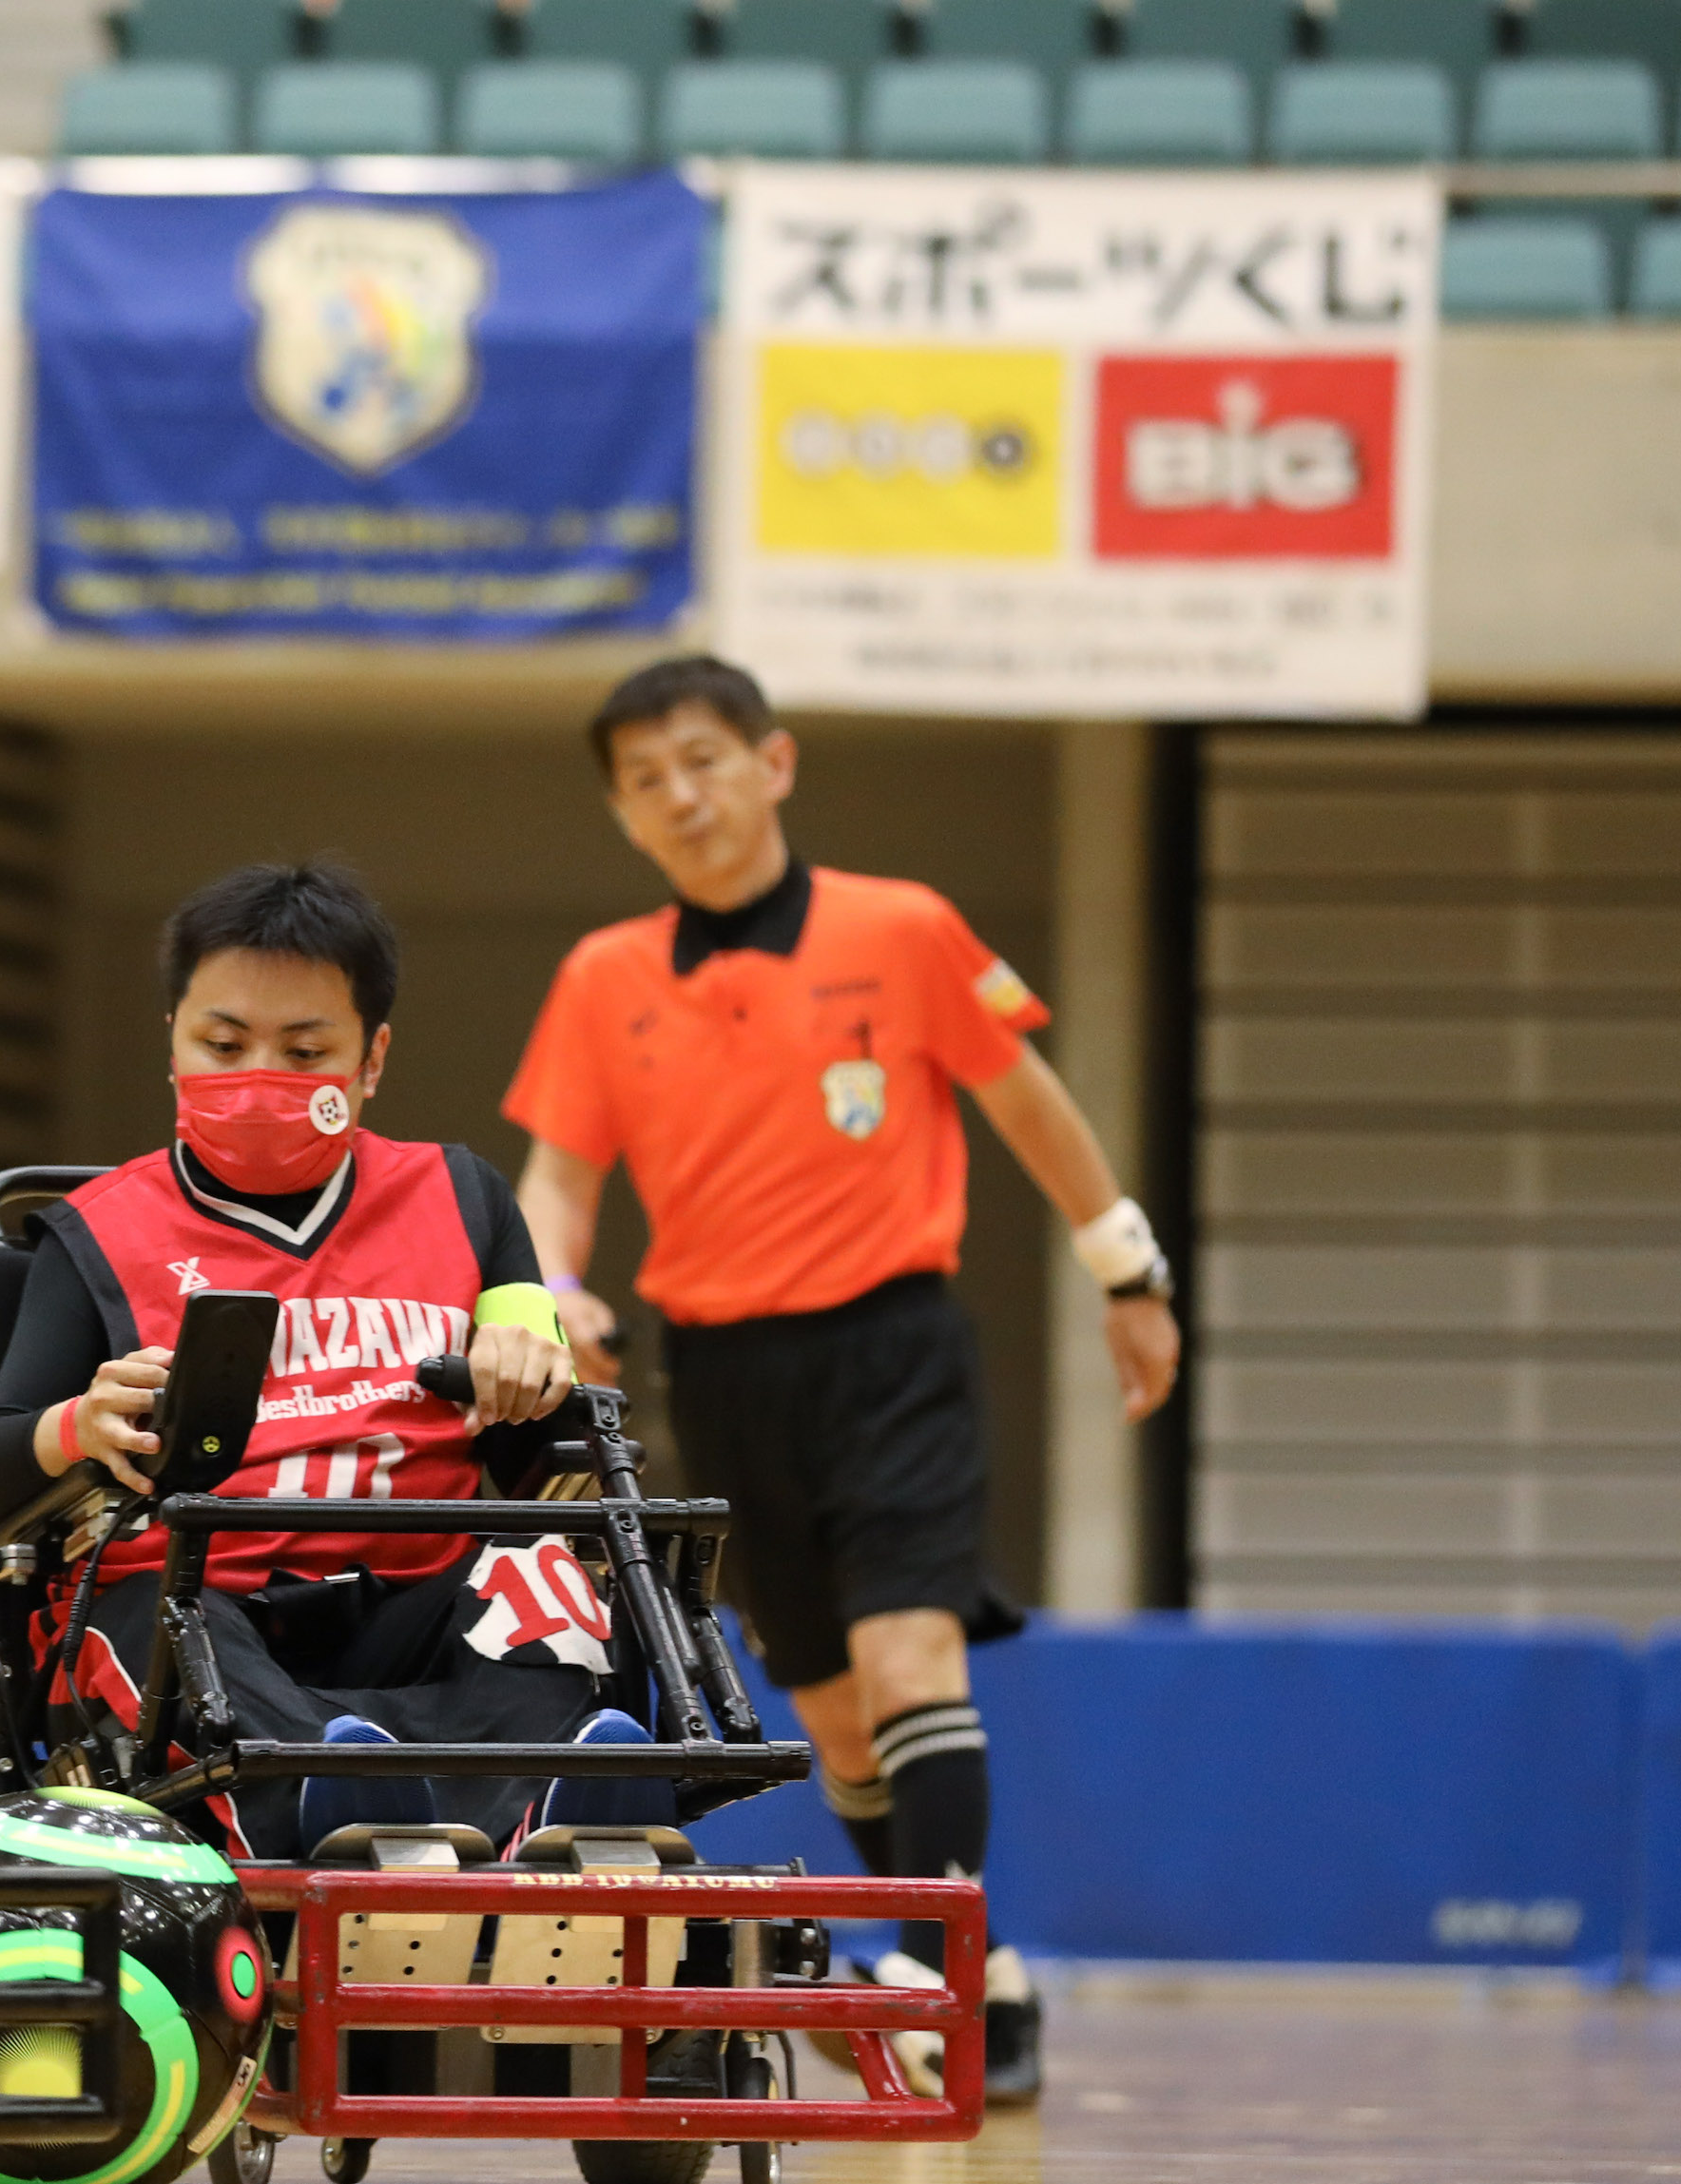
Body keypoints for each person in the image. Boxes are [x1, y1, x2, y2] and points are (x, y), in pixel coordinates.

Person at [503, 657, 1184, 2104]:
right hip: (729, 1373)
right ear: (623, 815)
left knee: (908, 1659)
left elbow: (1028, 1103)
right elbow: (558, 1180)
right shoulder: (603, 978)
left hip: (895, 1351)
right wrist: (556, 1297)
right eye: (644, 779)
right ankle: (975, 1964)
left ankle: (928, 1968)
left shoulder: (905, 930)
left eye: (703, 759)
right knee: (833, 1716)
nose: (681, 795)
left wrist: (1125, 1265)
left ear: (776, 764)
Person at [0, 862, 663, 1861]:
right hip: (194, 1591)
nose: (259, 1075)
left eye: (304, 1050)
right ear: (172, 1039)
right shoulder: (93, 1235)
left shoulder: (463, 1197)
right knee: (162, 1615)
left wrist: (527, 1354)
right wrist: (75, 1426)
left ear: (371, 1059)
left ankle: (545, 1808)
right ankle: (337, 1804)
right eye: (223, 1042)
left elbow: (535, 1349)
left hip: (415, 1587)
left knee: (542, 1568)